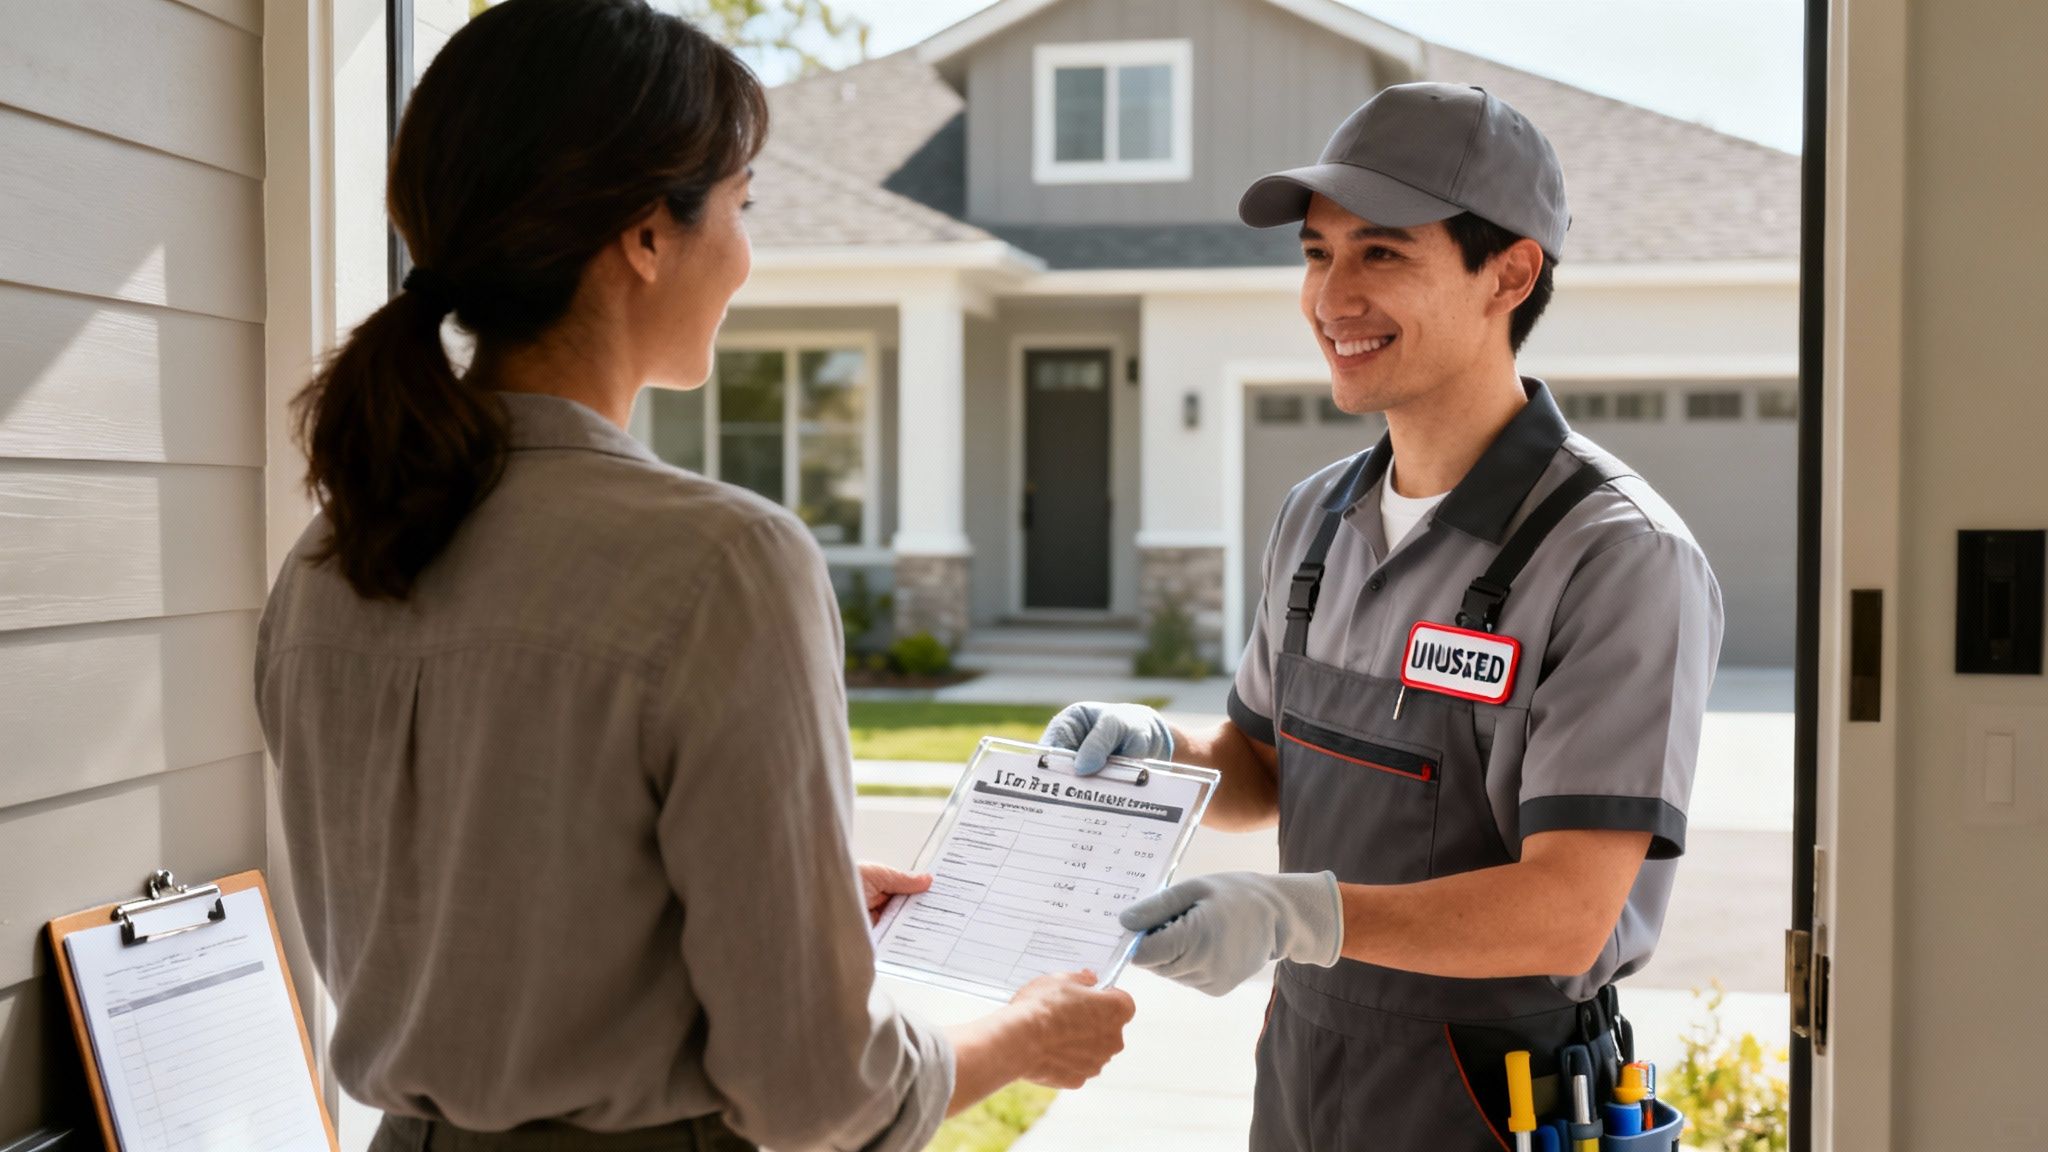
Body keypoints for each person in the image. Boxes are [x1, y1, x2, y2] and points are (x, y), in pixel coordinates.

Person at [256, 3, 1132, 1149]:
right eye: (741, 205)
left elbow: (488, 918)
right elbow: (819, 1093)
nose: (748, 253)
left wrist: (777, 902)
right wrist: (1024, 1036)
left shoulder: (325, 564)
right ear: (646, 235)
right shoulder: (723, 563)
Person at [1041, 82, 1723, 1148]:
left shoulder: (1614, 556)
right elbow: (1263, 765)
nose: (1330, 298)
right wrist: (1154, 750)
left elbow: (1566, 909)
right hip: (1306, 1063)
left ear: (1509, 273)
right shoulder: (1314, 518)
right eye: (1316, 254)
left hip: (1496, 1098)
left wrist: (1295, 914)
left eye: (1381, 254)